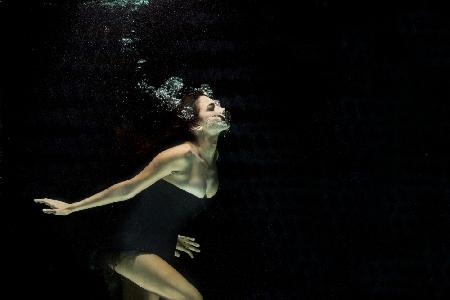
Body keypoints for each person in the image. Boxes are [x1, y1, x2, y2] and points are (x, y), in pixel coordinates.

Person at [34, 79, 230, 300]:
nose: (221, 110)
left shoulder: (214, 162)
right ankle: (108, 258)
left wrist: (168, 233)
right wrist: (72, 207)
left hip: (157, 243)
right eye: (211, 107)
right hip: (131, 245)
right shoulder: (181, 155)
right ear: (195, 122)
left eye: (219, 105)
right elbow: (129, 189)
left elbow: (163, 204)